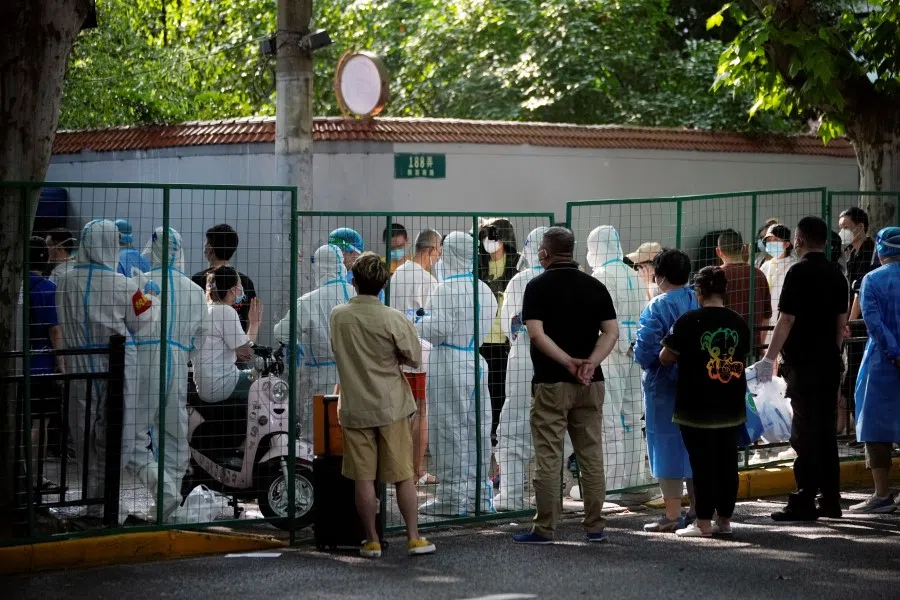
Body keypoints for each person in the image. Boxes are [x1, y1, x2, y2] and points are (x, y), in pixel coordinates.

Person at [55, 220, 174, 522]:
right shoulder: (124, 285)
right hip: (119, 365)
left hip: (79, 363)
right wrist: (154, 299)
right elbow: (144, 320)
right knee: (115, 429)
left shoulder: (66, 280)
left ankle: (94, 501)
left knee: (82, 430)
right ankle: (106, 502)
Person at [511, 227, 619, 544]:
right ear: (572, 251)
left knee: (548, 456)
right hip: (591, 383)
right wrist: (590, 362)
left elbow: (536, 334)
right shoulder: (595, 286)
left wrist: (567, 361)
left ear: (545, 253)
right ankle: (595, 526)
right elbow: (611, 333)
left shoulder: (537, 287)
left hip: (551, 382)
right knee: (591, 454)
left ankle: (544, 527)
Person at [329, 252, 436, 558]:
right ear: (383, 284)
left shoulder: (339, 315)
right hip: (391, 406)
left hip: (354, 405)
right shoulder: (393, 318)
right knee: (403, 474)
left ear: (354, 281)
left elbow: (337, 350)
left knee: (363, 477)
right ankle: (414, 538)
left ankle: (372, 539)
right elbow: (414, 356)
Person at [752, 216, 849, 521]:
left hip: (804, 365)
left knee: (804, 434)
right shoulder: (838, 274)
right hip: (829, 363)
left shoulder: (797, 273)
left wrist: (770, 358)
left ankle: (805, 498)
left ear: (800, 240)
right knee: (825, 432)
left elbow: (786, 320)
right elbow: (840, 323)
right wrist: (834, 354)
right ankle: (830, 499)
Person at [659, 267, 751, 537]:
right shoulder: (738, 321)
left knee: (702, 464)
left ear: (699, 292)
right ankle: (724, 521)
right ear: (724, 291)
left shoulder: (689, 320)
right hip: (731, 405)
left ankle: (702, 524)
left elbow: (666, 355)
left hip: (695, 406)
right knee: (726, 463)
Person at [416, 231, 497, 517]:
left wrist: (417, 320)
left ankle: (451, 498)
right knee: (477, 428)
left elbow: (437, 331)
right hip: (475, 358)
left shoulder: (446, 289)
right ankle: (480, 495)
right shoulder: (483, 288)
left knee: (448, 429)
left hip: (448, 361)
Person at [136, 227, 207, 508]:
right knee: (174, 436)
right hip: (177, 366)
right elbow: (199, 337)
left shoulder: (140, 283)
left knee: (135, 434)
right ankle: (167, 502)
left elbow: (132, 321)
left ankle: (162, 494)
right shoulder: (196, 291)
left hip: (143, 362)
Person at [633, 249, 698, 532]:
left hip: (664, 384)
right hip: (698, 383)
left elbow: (646, 348)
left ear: (659, 276)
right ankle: (698, 510)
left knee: (665, 445)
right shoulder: (696, 298)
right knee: (695, 447)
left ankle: (672, 515)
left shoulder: (657, 305)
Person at [586, 225, 648, 491]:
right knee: (633, 416)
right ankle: (634, 478)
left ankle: (611, 484)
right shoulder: (632, 274)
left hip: (610, 348)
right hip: (634, 348)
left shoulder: (601, 275)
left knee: (610, 419)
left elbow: (596, 317)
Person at [274, 244, 355, 444]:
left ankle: (314, 474)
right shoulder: (355, 294)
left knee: (317, 433)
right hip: (353, 374)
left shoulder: (308, 301)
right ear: (340, 265)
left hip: (319, 376)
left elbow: (281, 330)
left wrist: (293, 342)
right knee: (348, 433)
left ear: (318, 267)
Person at [494, 226, 547, 511]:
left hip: (524, 359)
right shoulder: (567, 279)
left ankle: (511, 494)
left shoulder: (521, 280)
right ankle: (550, 495)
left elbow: (510, 322)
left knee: (514, 423)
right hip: (560, 360)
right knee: (554, 425)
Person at [849, 227, 900, 514]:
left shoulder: (872, 280)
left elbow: (873, 322)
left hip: (882, 364)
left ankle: (881, 495)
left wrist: (894, 352)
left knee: (876, 429)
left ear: (881, 251)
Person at [191, 266, 263, 464]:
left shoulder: (206, 309)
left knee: (252, 377)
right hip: (222, 382)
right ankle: (246, 444)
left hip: (204, 383)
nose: (240, 293)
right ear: (232, 290)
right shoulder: (226, 312)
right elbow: (246, 352)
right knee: (263, 384)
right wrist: (254, 324)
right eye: (239, 288)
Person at [388, 229, 442, 485]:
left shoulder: (398, 273)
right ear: (431, 250)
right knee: (421, 411)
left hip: (396, 351)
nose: (439, 255)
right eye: (438, 250)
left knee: (399, 413)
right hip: (421, 353)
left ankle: (396, 467)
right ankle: (417, 471)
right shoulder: (430, 282)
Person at [25, 237, 66, 488]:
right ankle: (34, 478)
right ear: (46, 257)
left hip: (17, 364)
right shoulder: (47, 288)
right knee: (39, 424)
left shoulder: (14, 285)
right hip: (41, 366)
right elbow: (55, 330)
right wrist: (61, 363)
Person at [478, 219, 520, 449]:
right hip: (480, 337)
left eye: (492, 237)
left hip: (504, 341)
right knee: (480, 388)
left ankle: (496, 431)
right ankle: (482, 431)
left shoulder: (516, 264)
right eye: (484, 237)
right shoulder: (478, 264)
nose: (488, 242)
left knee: (499, 390)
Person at [838, 207, 876, 432]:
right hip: (854, 324)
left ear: (860, 227)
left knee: (857, 374)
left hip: (862, 325)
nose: (842, 232)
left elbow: (859, 294)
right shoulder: (853, 254)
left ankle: (860, 429)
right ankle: (854, 427)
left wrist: (849, 322)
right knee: (852, 374)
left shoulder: (869, 253)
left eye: (846, 227)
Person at [191, 224, 257, 334]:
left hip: (205, 343)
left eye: (206, 242)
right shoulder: (246, 282)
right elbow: (252, 318)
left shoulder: (199, 279)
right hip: (237, 344)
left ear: (210, 249)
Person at [716, 230, 772, 348]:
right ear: (743, 249)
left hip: (723, 346)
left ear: (718, 251)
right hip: (752, 345)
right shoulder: (759, 274)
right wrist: (760, 345)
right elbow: (766, 316)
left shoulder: (715, 275)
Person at [760, 224, 798, 348]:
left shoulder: (794, 266)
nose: (771, 244)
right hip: (766, 319)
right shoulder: (765, 265)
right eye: (768, 241)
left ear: (787, 244)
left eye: (775, 240)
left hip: (785, 319)